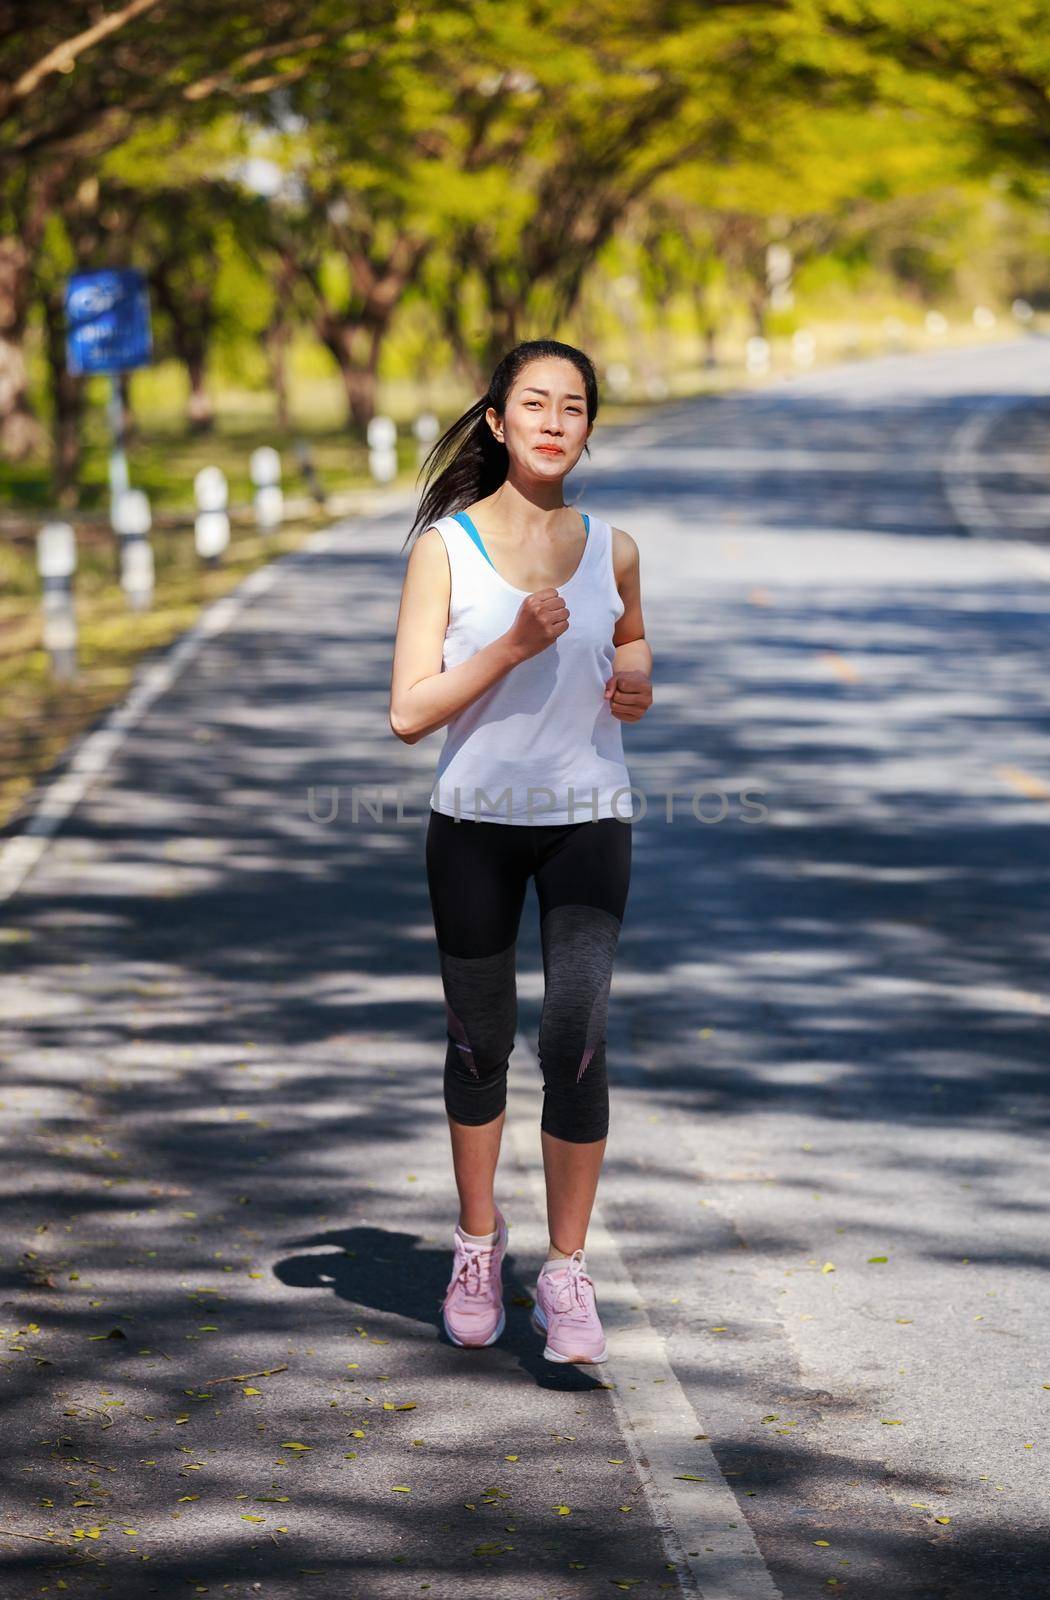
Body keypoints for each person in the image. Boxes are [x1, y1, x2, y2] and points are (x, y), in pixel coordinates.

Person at [389, 338, 653, 1363]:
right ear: (495, 421)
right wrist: (508, 647)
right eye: (532, 403)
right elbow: (408, 713)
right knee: (477, 1040)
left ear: (587, 428)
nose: (552, 420)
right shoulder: (442, 551)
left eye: (572, 406)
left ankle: (567, 1273)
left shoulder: (613, 546)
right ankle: (475, 1245)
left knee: (574, 1040)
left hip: (589, 819)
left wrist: (635, 680)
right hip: (473, 830)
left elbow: (629, 646)